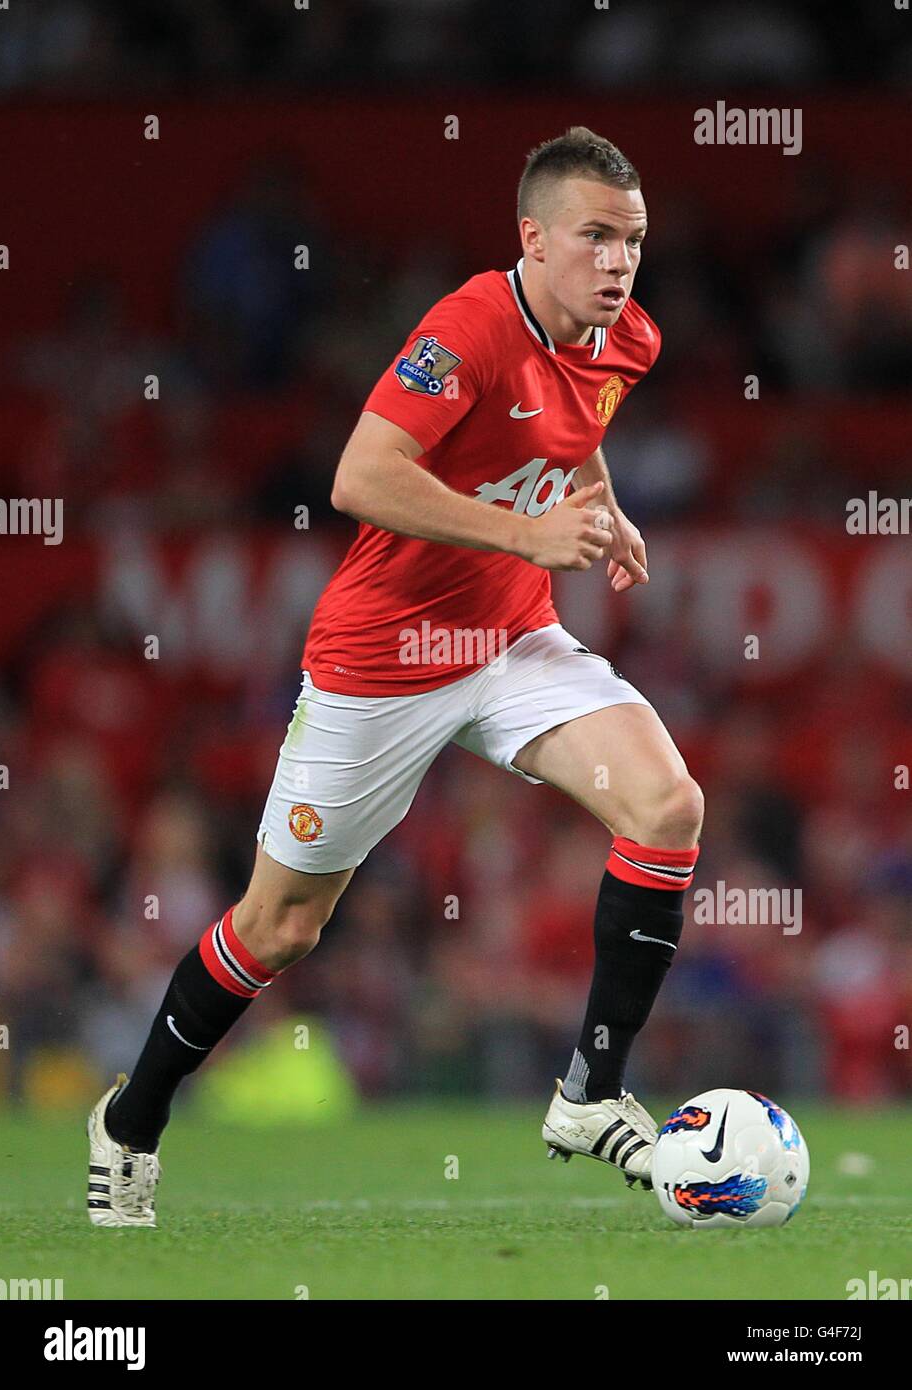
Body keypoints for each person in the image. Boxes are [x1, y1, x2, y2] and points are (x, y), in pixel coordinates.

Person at [87, 126, 703, 1228]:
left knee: (668, 804)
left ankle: (588, 1094)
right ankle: (129, 1121)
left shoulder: (628, 338)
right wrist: (525, 539)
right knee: (280, 927)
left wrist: (604, 512)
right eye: (596, 238)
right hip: (386, 657)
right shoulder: (464, 329)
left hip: (510, 642)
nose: (618, 262)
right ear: (533, 239)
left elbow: (577, 425)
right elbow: (360, 475)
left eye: (635, 241)